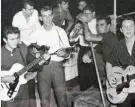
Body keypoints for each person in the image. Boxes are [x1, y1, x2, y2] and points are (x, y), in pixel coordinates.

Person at [29, 5, 71, 107]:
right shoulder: (36, 33)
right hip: (42, 68)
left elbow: (68, 53)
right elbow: (30, 52)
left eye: (49, 15)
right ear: (40, 18)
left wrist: (64, 54)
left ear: (52, 16)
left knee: (62, 99)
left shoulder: (60, 32)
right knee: (44, 100)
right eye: (44, 16)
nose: (47, 19)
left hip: (57, 67)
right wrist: (37, 55)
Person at [1, 26, 50, 107]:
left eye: (17, 38)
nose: (15, 41)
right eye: (12, 39)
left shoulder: (22, 49)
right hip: (7, 93)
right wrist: (3, 79)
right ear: (5, 40)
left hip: (24, 90)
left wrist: (43, 60)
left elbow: (32, 66)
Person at [106, 16, 135, 107]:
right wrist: (109, 76)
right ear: (121, 30)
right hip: (125, 86)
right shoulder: (118, 46)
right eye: (125, 27)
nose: (128, 29)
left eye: (131, 26)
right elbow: (109, 62)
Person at [81, 16, 118, 84]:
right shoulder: (105, 37)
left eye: (102, 25)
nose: (99, 27)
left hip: (117, 68)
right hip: (109, 65)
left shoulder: (109, 36)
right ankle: (104, 79)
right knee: (94, 55)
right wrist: (87, 54)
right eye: (97, 25)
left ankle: (105, 79)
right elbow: (96, 48)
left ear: (108, 26)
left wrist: (85, 23)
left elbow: (88, 37)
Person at [70, 4, 98, 91]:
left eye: (88, 13)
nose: (85, 16)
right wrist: (75, 30)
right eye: (84, 13)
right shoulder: (81, 23)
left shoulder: (98, 23)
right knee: (83, 76)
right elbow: (72, 39)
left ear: (93, 13)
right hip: (83, 49)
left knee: (93, 76)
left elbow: (94, 37)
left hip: (94, 50)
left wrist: (84, 29)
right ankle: (84, 98)